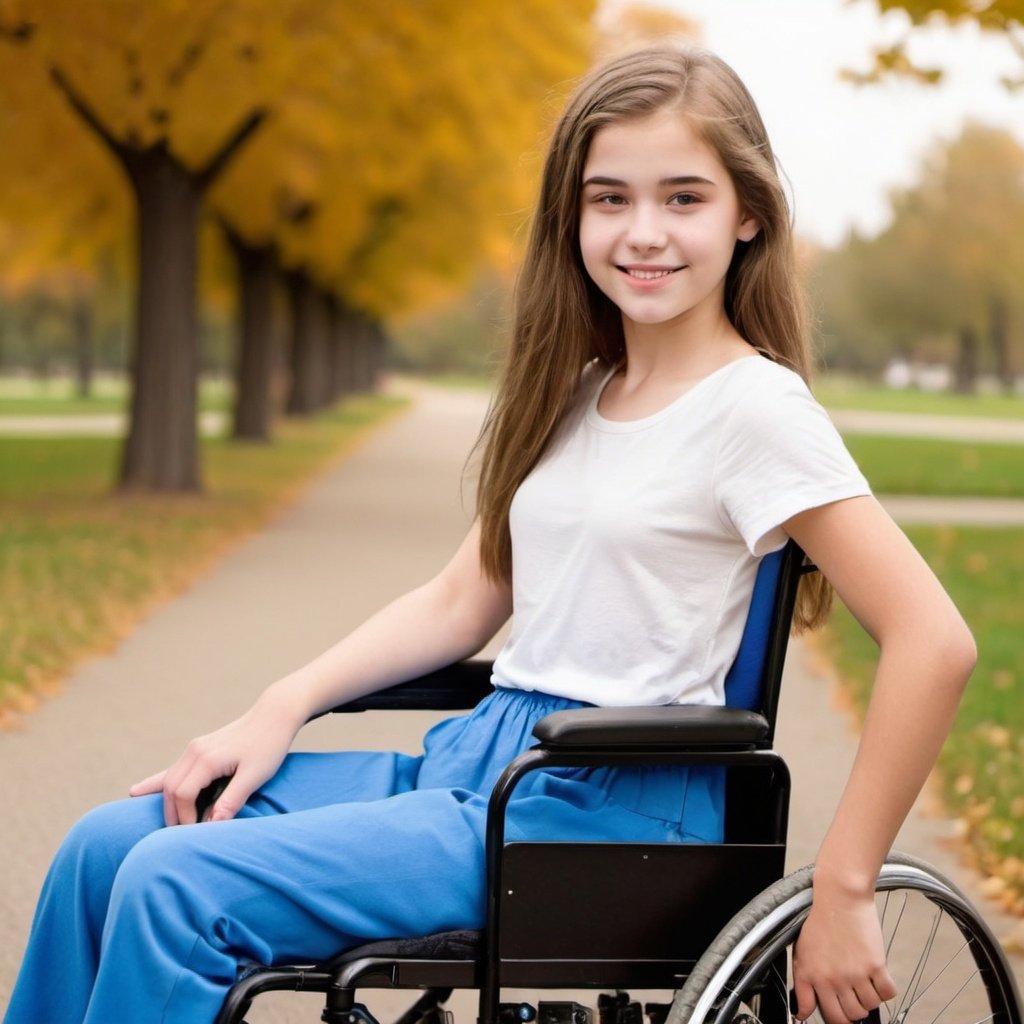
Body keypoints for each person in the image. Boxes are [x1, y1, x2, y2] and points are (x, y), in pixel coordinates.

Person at [5, 45, 975, 1024]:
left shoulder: (756, 410)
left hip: (607, 803)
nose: (644, 232)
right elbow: (460, 599)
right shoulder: (579, 393)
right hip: (485, 766)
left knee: (175, 884)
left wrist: (845, 884)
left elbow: (933, 640)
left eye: (684, 198)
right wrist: (279, 705)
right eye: (609, 199)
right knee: (105, 846)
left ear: (747, 213)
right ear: (573, 216)